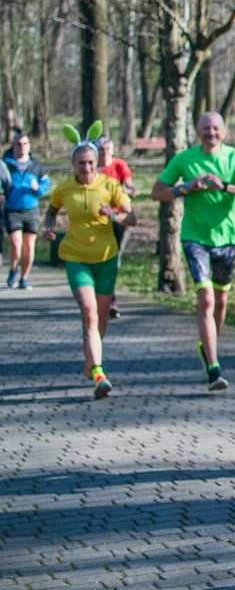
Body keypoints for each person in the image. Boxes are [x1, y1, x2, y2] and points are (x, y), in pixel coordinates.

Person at [150, 112, 235, 391]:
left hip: (226, 238)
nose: (210, 133)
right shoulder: (185, 159)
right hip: (195, 237)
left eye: (215, 128)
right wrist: (184, 189)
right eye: (205, 128)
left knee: (221, 300)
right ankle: (214, 367)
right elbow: (157, 191)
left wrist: (225, 186)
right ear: (197, 131)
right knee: (205, 299)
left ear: (224, 131)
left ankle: (208, 346)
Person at [43, 126, 136, 399]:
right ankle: (98, 372)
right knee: (89, 311)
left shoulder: (110, 186)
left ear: (97, 164)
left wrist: (115, 215)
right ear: (73, 163)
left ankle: (90, 358)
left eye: (91, 163)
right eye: (81, 163)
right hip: (76, 257)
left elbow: (133, 218)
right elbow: (51, 210)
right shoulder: (64, 188)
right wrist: (49, 226)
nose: (86, 168)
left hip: (106, 257)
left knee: (101, 317)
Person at [5, 132, 51, 290]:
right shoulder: (6, 164)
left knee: (29, 246)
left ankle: (24, 278)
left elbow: (46, 184)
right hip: (12, 209)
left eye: (25, 144)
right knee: (16, 243)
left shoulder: (36, 165)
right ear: (13, 146)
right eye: (18, 144)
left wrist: (38, 188)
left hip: (31, 209)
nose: (22, 147)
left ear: (29, 146)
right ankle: (13, 269)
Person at [95, 137, 136, 319]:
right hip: (95, 221)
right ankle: (102, 298)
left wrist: (117, 191)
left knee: (112, 260)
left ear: (112, 150)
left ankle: (110, 301)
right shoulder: (92, 168)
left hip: (118, 219)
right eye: (101, 149)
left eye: (107, 149)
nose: (104, 153)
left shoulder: (119, 165)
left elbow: (131, 189)